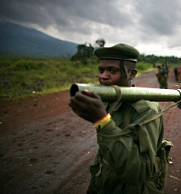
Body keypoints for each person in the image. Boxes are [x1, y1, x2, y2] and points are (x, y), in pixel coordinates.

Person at [69, 43, 166, 193]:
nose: (103, 76)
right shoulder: (109, 100)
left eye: (112, 70)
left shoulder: (146, 110)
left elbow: (139, 172)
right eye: (101, 70)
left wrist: (102, 121)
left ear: (132, 74)